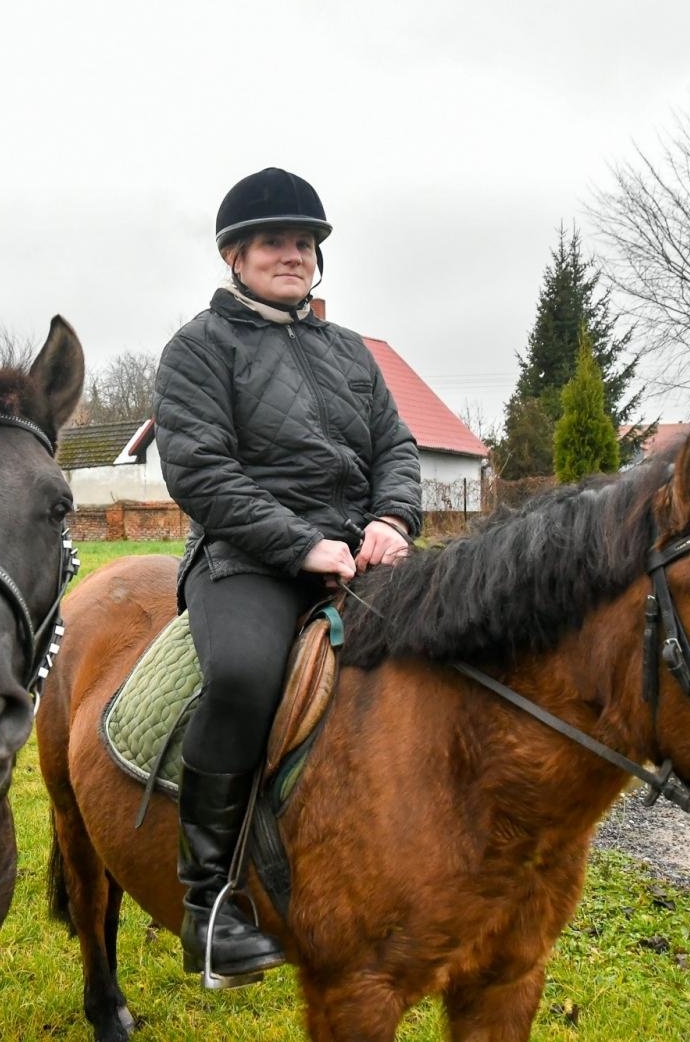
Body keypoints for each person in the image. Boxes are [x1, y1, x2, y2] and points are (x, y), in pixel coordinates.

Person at [153, 167, 423, 985]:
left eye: (305, 243)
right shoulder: (199, 349)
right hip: (247, 559)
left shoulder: (350, 352)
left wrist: (391, 519)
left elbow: (397, 450)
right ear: (235, 254)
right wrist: (302, 545)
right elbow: (200, 472)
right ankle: (209, 904)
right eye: (275, 241)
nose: (293, 254)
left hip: (361, 553)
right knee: (240, 678)